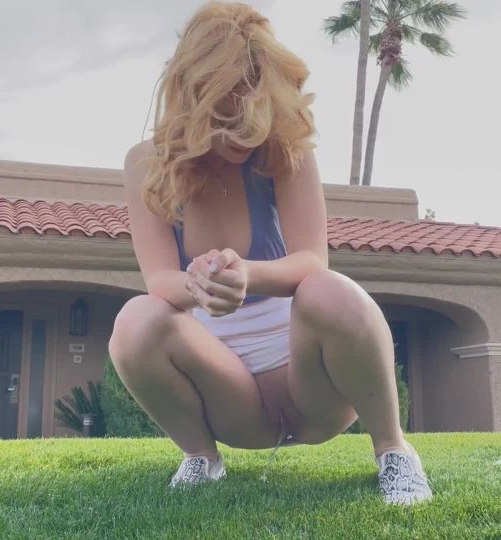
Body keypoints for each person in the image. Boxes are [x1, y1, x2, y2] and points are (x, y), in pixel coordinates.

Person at [109, 2, 432, 505]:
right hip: (231, 397)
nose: (245, 131)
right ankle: (201, 458)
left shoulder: (286, 147)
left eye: (256, 111)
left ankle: (394, 450)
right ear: (193, 95)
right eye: (227, 113)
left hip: (313, 388)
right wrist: (199, 283)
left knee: (330, 290)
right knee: (135, 320)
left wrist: (248, 275)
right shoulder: (146, 163)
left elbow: (311, 260)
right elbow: (159, 281)